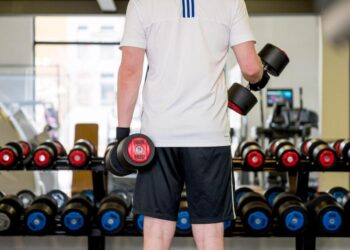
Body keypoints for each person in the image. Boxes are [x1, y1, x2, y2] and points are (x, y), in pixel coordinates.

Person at [116, 0, 263, 249]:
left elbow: (130, 70)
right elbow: (250, 67)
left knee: (156, 233)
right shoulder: (231, 2)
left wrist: (122, 135)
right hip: (209, 135)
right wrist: (258, 75)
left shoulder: (141, 3)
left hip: (158, 136)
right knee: (209, 235)